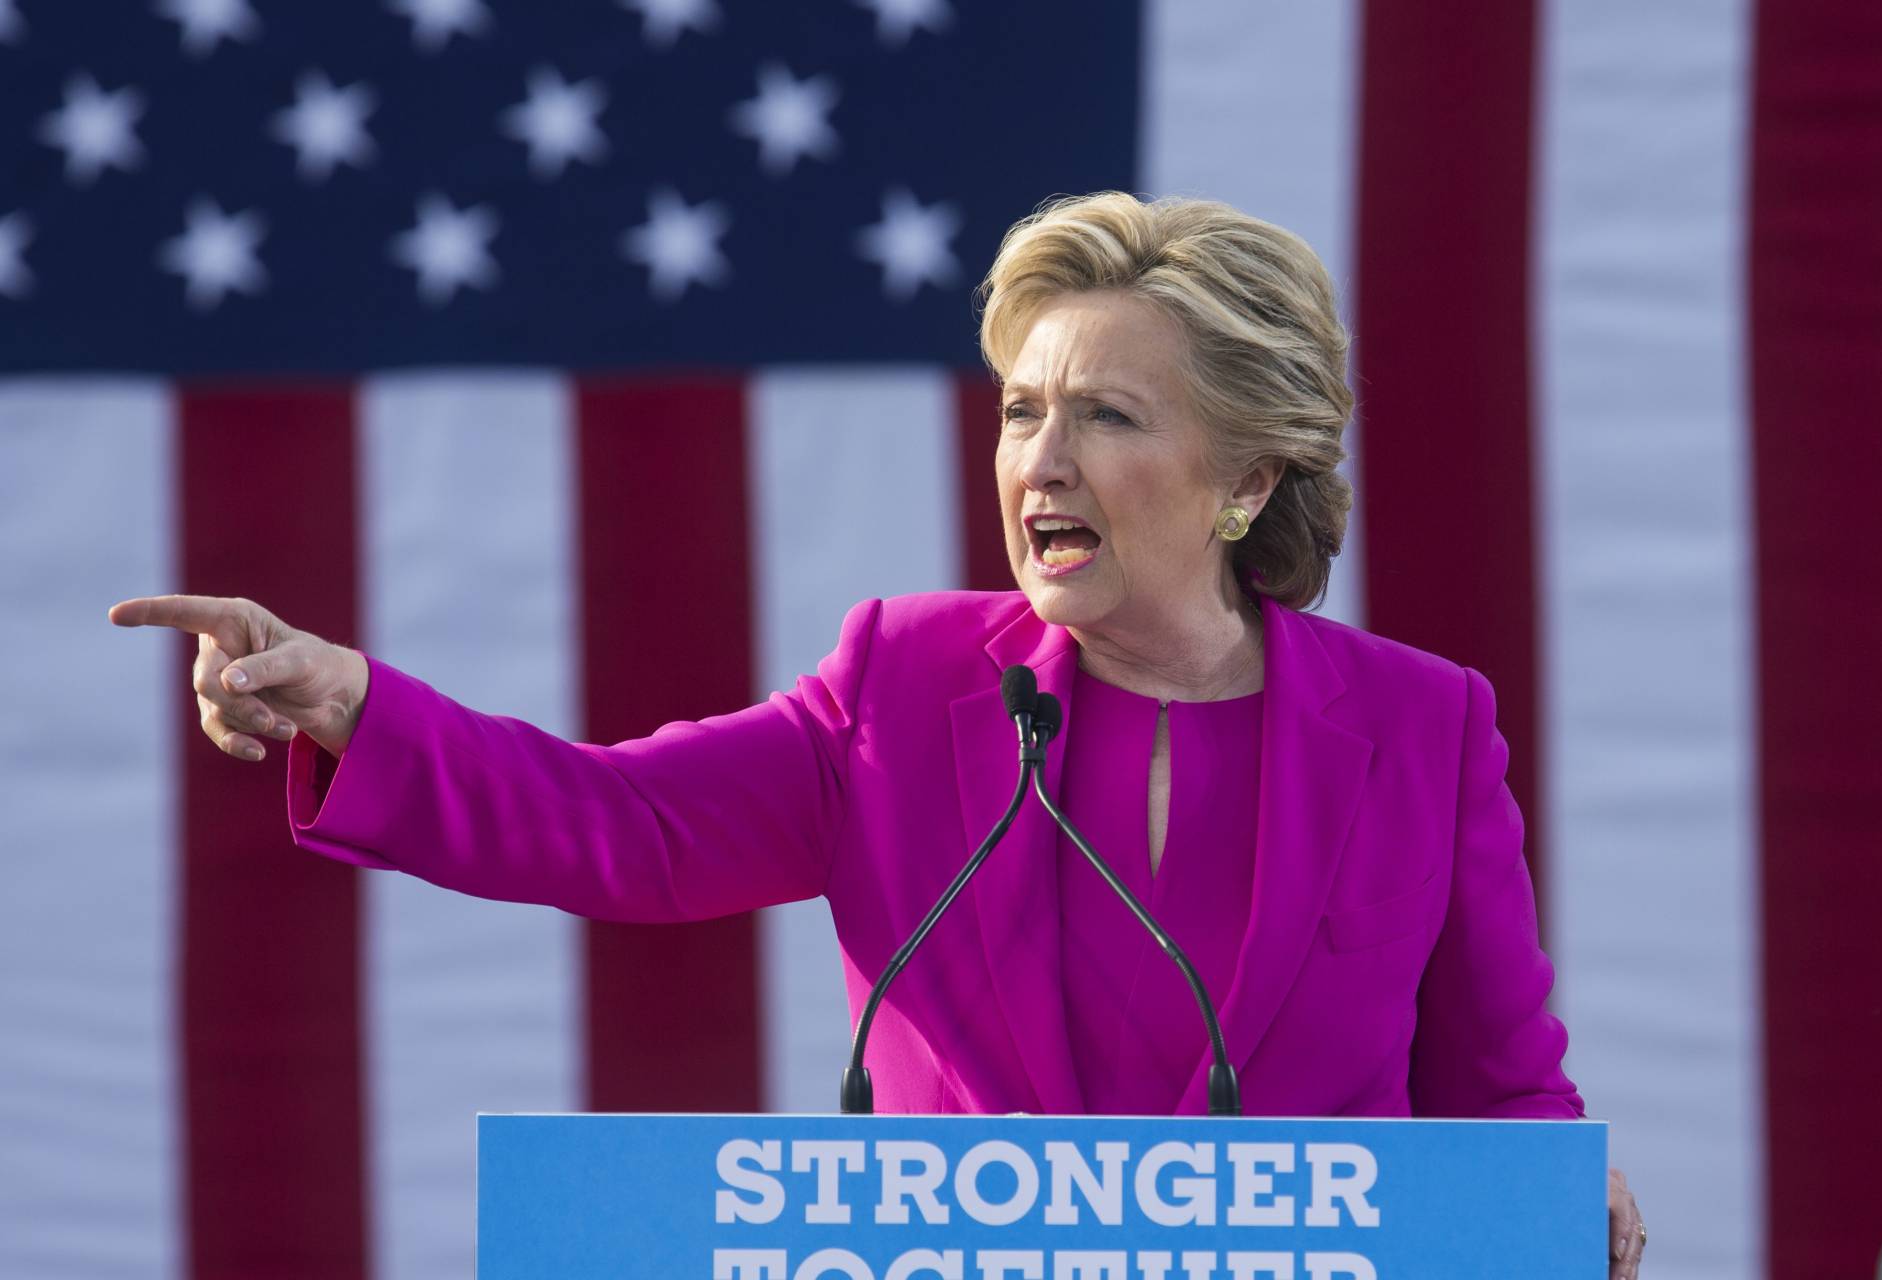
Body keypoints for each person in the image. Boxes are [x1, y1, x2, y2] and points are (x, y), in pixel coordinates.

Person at [111, 190, 1646, 1276]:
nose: (1040, 459)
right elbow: (617, 823)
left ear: (1246, 481)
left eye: (1107, 416)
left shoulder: (1417, 729)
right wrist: (355, 703)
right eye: (1020, 411)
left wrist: (1560, 1203)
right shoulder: (910, 690)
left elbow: (1497, 1085)